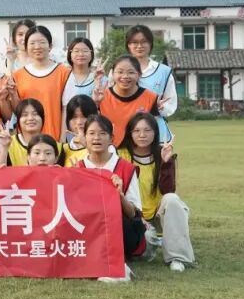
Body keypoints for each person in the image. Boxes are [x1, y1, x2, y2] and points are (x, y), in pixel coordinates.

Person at [118, 112, 194, 271]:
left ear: (155, 132)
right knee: (143, 253)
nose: (142, 135)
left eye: (147, 130)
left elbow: (168, 190)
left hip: (157, 215)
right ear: (130, 133)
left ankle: (177, 258)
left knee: (172, 199)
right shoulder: (120, 154)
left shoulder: (162, 152)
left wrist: (166, 163)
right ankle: (151, 244)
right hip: (134, 217)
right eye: (137, 131)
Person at [73, 115, 144, 279]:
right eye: (91, 133)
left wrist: (119, 196)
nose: (96, 138)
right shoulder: (77, 168)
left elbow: (134, 214)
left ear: (111, 138)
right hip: (88, 232)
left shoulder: (126, 168)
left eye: (102, 133)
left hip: (123, 231)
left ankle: (116, 266)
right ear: (84, 137)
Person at [10, 26, 71, 142]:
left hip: (54, 139)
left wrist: (62, 140)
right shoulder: (18, 75)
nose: (37, 47)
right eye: (32, 43)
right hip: (26, 141)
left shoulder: (64, 73)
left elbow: (66, 109)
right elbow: (17, 110)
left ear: (50, 46)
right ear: (26, 47)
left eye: (42, 42)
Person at [93, 55, 160, 147]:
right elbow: (91, 125)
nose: (125, 76)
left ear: (139, 74)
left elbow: (154, 131)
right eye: (120, 72)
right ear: (112, 74)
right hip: (108, 151)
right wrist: (96, 103)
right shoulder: (101, 97)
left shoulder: (150, 98)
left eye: (131, 72)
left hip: (138, 152)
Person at [126, 25, 177, 142]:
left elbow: (171, 102)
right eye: (134, 42)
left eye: (144, 42)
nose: (139, 46)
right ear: (128, 45)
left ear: (150, 44)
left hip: (156, 130)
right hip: (127, 127)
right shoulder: (118, 70)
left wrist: (159, 108)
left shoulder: (163, 71)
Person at [6, 98, 46, 166]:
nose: (30, 118)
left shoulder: (52, 145)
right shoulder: (9, 143)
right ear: (18, 120)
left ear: (42, 118)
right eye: (25, 115)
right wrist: (4, 148)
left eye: (35, 114)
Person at [61, 94, 98, 167]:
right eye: (74, 117)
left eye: (84, 116)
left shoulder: (106, 148)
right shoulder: (63, 150)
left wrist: (87, 144)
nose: (79, 122)